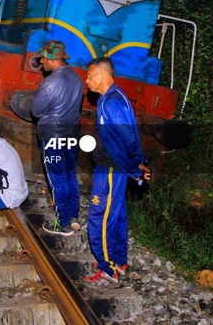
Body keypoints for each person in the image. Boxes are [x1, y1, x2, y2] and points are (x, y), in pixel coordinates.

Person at [80, 57, 151, 289]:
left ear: (102, 74)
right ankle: (119, 261)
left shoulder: (111, 102)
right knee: (118, 216)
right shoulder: (110, 99)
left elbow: (129, 137)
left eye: (90, 75)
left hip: (111, 169)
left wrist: (135, 166)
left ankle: (107, 269)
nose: (87, 80)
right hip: (115, 167)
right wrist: (135, 165)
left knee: (99, 219)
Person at [31, 40, 84, 236]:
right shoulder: (77, 79)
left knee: (57, 179)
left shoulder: (51, 82)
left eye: (43, 58)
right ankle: (73, 216)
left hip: (53, 137)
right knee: (70, 175)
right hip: (71, 136)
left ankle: (62, 223)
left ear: (52, 59)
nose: (41, 62)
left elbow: (35, 110)